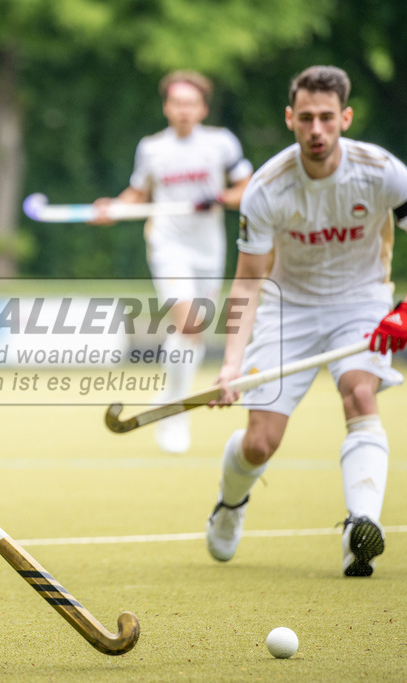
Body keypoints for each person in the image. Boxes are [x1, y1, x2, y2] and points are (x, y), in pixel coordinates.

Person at [205, 65, 407, 577]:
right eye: (306, 118)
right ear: (290, 119)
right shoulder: (266, 187)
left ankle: (360, 528)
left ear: (345, 117)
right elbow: (248, 281)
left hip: (360, 303)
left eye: (326, 117)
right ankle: (230, 505)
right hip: (288, 307)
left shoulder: (381, 171)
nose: (316, 129)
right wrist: (231, 364)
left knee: (360, 394)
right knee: (260, 442)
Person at [93, 70, 253, 453]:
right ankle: (176, 413)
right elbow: (138, 193)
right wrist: (113, 208)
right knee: (188, 321)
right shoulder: (152, 148)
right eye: (177, 103)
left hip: (208, 248)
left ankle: (170, 393)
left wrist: (219, 198)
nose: (184, 110)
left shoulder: (221, 143)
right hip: (167, 244)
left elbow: (247, 187)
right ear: (167, 107)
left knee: (194, 332)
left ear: (203, 109)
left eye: (191, 103)